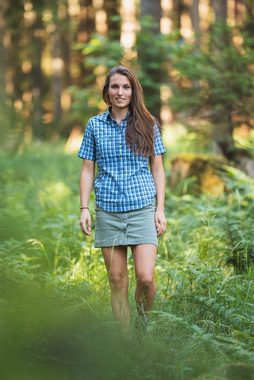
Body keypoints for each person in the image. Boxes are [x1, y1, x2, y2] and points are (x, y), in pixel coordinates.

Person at [78, 65, 166, 333]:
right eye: (115, 86)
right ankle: (127, 344)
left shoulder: (148, 124)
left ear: (133, 90)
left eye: (126, 87)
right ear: (107, 91)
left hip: (142, 207)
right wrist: (84, 208)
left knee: (146, 277)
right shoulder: (94, 125)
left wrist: (160, 209)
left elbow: (158, 168)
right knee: (117, 280)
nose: (120, 92)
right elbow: (87, 169)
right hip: (108, 210)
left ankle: (142, 324)